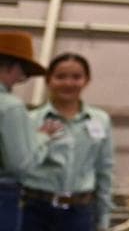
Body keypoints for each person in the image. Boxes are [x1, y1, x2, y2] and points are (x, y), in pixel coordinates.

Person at [22, 53, 115, 231]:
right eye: (60, 77)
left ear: (87, 80)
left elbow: (105, 169)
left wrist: (104, 216)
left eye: (76, 77)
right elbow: (20, 163)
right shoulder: (31, 120)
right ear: (48, 80)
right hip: (34, 210)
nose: (68, 83)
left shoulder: (100, 120)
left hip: (79, 212)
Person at [0, 31, 58, 229]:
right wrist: (42, 138)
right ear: (10, 66)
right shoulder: (10, 107)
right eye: (22, 71)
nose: (22, 77)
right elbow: (20, 164)